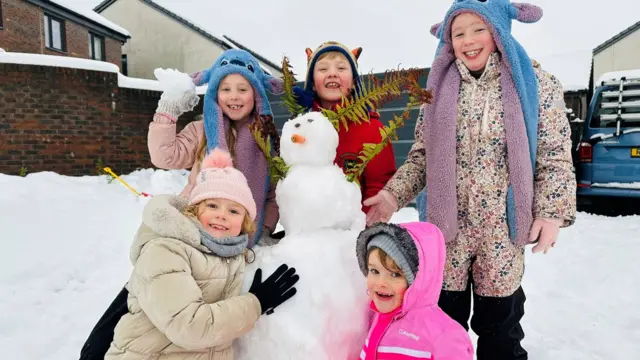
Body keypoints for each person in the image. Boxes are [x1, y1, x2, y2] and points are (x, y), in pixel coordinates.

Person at [364, 1, 576, 358]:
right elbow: (422, 157)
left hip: (501, 236)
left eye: (479, 29)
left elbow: (554, 155)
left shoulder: (536, 84)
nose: (469, 40)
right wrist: (390, 196)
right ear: (448, 41)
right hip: (446, 239)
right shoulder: (437, 91)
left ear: (498, 32)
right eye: (458, 33)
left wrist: (552, 213)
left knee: (501, 334)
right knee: (440, 329)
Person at [105, 148, 299, 360]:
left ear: (244, 223)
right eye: (212, 205)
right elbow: (189, 327)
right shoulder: (166, 250)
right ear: (194, 210)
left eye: (233, 211)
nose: (221, 216)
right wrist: (257, 303)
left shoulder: (229, 253)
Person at [294, 41, 397, 215]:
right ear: (312, 83)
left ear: (354, 81)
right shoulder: (300, 127)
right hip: (308, 232)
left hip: (355, 232)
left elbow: (380, 184)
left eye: (341, 68)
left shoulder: (371, 128)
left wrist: (364, 226)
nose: (332, 73)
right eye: (323, 69)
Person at [356, 222, 473, 359]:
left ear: (418, 281)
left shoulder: (444, 335)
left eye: (395, 274)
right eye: (374, 271)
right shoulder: (377, 319)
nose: (381, 283)